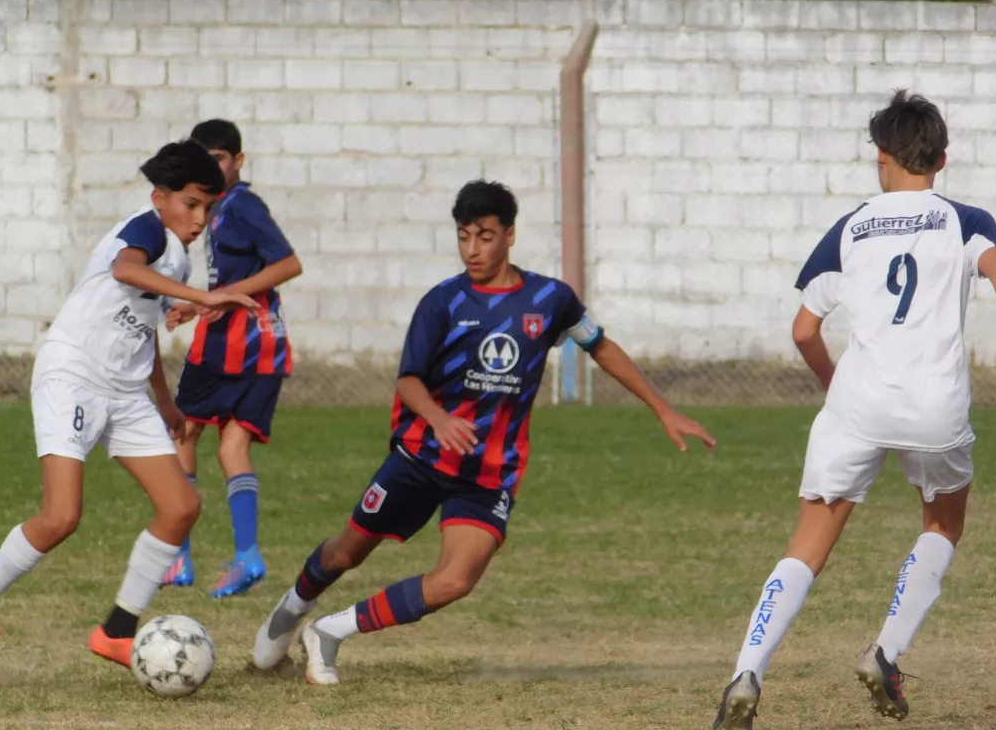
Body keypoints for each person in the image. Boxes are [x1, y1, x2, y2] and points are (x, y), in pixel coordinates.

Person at [250, 179, 717, 685]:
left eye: (485, 236)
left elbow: (599, 345)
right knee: (345, 553)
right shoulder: (443, 302)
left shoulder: (550, 299)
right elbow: (408, 380)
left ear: (510, 236)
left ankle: (330, 631)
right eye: (464, 236)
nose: (472, 249)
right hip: (421, 456)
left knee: (455, 580)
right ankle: (293, 606)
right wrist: (440, 419)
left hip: (489, 472)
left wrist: (663, 410)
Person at [711, 90, 996, 730]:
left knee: (807, 546)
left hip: (857, 404)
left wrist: (834, 384)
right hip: (935, 406)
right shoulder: (965, 220)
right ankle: (885, 652)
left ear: (881, 156)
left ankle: (747, 673)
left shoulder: (850, 227)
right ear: (942, 159)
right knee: (943, 524)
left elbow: (803, 330)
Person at [0, 140, 258, 684]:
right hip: (73, 374)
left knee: (181, 506)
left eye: (209, 207)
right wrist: (203, 298)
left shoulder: (177, 256)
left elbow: (141, 330)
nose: (199, 219)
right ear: (160, 198)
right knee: (61, 517)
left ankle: (116, 629)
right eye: (190, 204)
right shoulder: (144, 229)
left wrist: (165, 401)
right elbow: (125, 270)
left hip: (126, 391)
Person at [161, 119, 303, 598]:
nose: (212, 168)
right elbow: (234, 282)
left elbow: (288, 264)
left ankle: (178, 555)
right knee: (230, 449)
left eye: (219, 159)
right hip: (259, 343)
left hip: (239, 345)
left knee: (182, 431)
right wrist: (199, 304)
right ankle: (247, 556)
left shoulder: (241, 205)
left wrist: (220, 300)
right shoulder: (221, 206)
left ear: (238, 161)